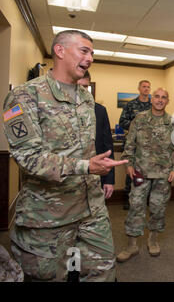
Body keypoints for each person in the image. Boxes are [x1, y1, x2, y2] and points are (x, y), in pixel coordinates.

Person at [2, 30, 127, 281]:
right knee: (51, 276)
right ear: (60, 51)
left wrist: (100, 168)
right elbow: (28, 157)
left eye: (92, 52)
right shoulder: (25, 96)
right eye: (84, 51)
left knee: (103, 272)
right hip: (48, 215)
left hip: (91, 210)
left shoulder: (86, 99)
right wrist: (85, 166)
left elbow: (89, 149)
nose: (90, 57)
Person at [117, 88, 174, 261]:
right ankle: (132, 245)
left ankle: (153, 239)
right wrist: (128, 164)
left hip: (162, 175)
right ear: (151, 99)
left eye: (164, 97)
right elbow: (129, 144)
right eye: (157, 97)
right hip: (140, 172)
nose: (160, 100)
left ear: (167, 101)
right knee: (136, 207)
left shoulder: (173, 123)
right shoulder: (139, 119)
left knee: (158, 208)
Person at [78, 71, 115, 199]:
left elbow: (107, 147)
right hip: (68, 178)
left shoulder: (99, 110)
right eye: (78, 86)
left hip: (94, 176)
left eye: (85, 86)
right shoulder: (58, 110)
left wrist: (110, 179)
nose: (82, 90)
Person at [119, 80, 152, 210]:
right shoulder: (130, 104)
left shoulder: (152, 105)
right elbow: (122, 121)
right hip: (133, 144)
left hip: (149, 146)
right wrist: (137, 127)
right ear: (139, 88)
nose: (146, 89)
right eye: (144, 87)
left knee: (148, 172)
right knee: (131, 172)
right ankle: (128, 198)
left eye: (148, 87)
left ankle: (147, 198)